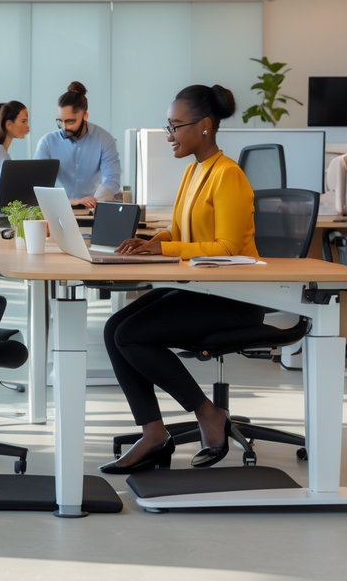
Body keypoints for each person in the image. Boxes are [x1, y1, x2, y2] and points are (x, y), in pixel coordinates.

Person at [99, 84, 263, 475]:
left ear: (205, 126)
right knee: (114, 329)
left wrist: (163, 250)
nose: (169, 135)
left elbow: (226, 246)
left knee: (131, 335)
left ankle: (208, 414)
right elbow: (179, 232)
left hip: (234, 298)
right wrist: (150, 242)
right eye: (167, 126)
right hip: (201, 288)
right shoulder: (194, 171)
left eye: (176, 126)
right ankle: (154, 434)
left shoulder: (229, 176)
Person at [34, 81, 122, 208]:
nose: (64, 127)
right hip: (58, 209)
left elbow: (112, 180)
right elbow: (39, 186)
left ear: (85, 115)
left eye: (70, 121)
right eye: (60, 121)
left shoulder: (105, 139)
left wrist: (94, 200)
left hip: (92, 208)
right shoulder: (47, 142)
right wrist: (73, 202)